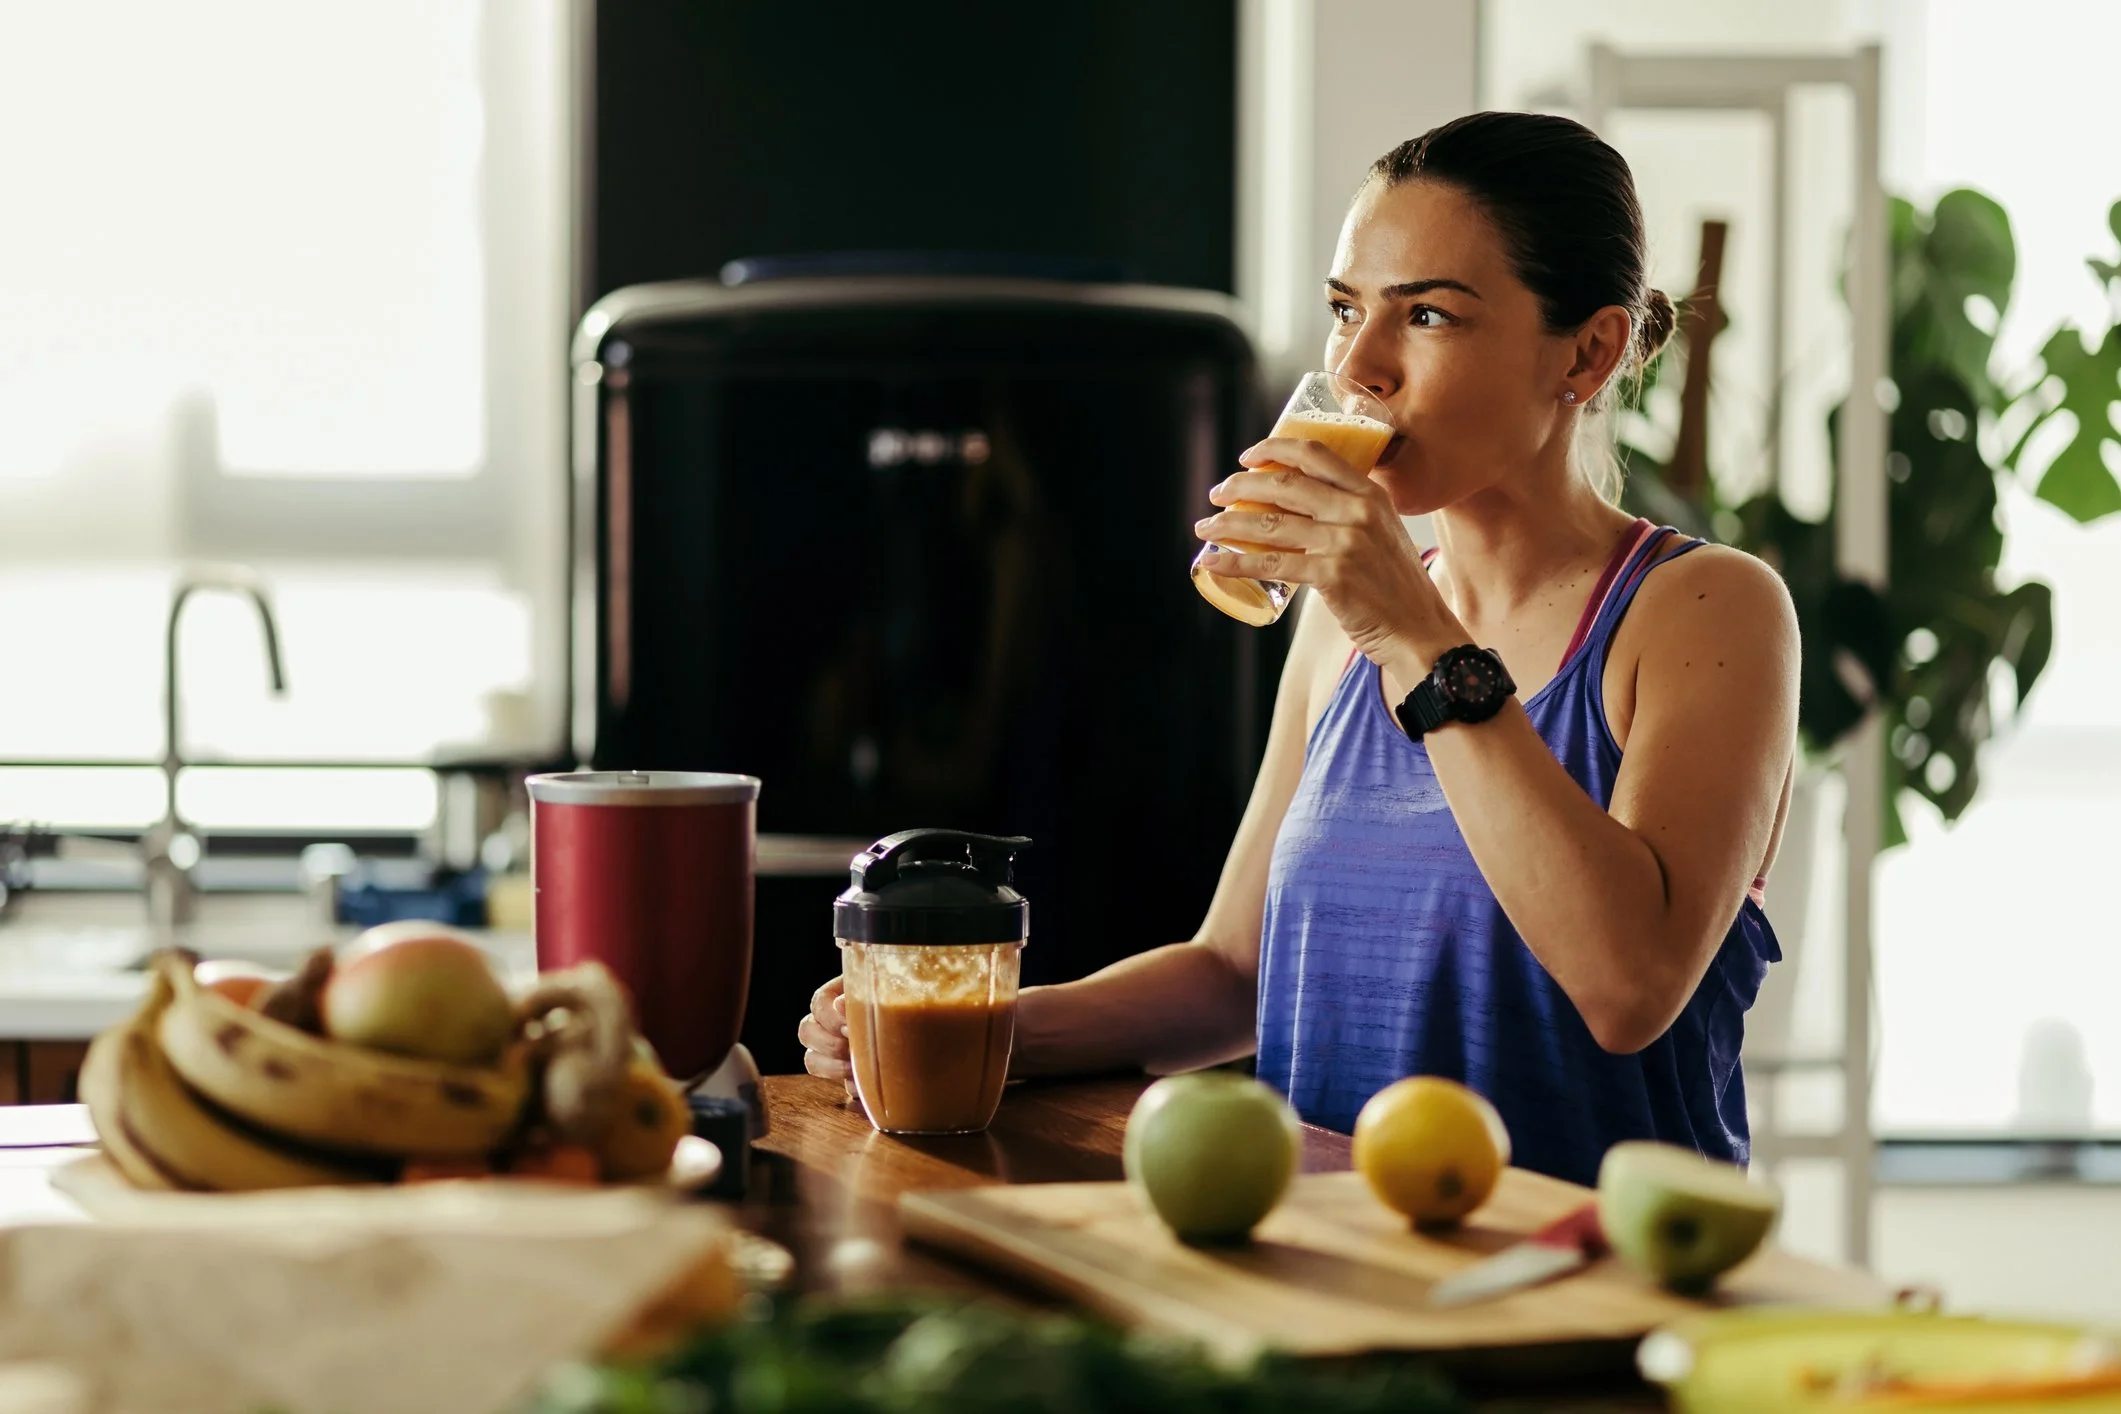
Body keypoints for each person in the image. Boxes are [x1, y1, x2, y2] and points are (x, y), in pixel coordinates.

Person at [800, 111, 1798, 1187]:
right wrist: (965, 1026)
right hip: (1332, 1270)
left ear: (1589, 351)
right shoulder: (1343, 620)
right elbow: (1235, 972)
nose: (1361, 365)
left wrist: (1413, 635)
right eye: (1343, 311)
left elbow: (1628, 986)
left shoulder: (1705, 610)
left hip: (1583, 1288)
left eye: (1426, 315)